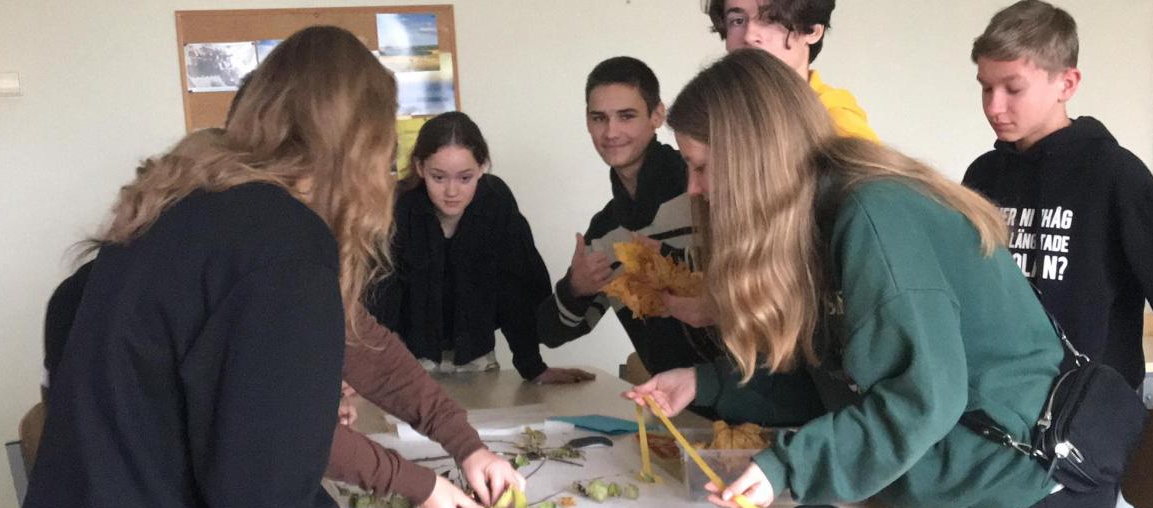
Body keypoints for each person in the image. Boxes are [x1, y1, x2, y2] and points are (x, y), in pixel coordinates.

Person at [15, 27, 495, 508]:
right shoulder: (280, 246)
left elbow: (358, 345)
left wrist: (462, 441)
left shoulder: (186, 219)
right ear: (362, 150)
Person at [627, 48, 1118, 508]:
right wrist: (704, 383)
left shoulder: (872, 212)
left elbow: (922, 398)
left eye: (700, 165)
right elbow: (836, 386)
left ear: (753, 158)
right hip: (960, 489)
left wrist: (787, 467)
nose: (693, 188)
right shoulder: (818, 217)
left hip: (1027, 495)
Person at [962, 0, 1153, 508]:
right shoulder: (983, 175)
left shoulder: (1114, 174)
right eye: (985, 87)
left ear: (1066, 83)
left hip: (1083, 430)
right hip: (998, 423)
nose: (994, 105)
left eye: (1012, 87)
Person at [367, 111, 593, 385]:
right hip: (404, 356)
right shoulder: (397, 207)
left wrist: (533, 367)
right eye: (438, 178)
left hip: (476, 357)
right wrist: (368, 369)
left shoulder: (496, 202)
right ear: (419, 167)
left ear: (483, 166)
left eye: (465, 178)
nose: (452, 191)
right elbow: (380, 299)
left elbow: (515, 291)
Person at [536, 56, 721, 381]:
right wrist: (575, 288)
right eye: (599, 118)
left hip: (752, 395)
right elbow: (551, 334)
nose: (611, 132)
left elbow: (762, 294)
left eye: (626, 116)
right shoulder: (606, 230)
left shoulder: (707, 192)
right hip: (672, 402)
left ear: (657, 115)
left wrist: (672, 262)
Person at [703, 0, 878, 141]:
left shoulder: (836, 124)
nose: (749, 36)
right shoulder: (712, 112)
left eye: (770, 19)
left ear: (812, 32)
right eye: (737, 21)